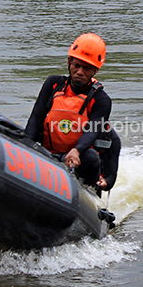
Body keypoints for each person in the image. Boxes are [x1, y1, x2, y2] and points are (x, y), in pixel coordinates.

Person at [25, 33, 120, 191]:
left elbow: (92, 131)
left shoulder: (101, 100)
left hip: (78, 158)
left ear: (95, 71)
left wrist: (77, 150)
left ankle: (85, 193)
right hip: (48, 153)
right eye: (76, 65)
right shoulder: (53, 84)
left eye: (87, 68)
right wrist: (25, 146)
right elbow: (35, 119)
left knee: (91, 158)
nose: (80, 72)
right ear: (69, 62)